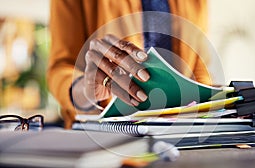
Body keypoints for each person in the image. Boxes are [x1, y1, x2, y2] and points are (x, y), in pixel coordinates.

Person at [48, 0, 211, 129]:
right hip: (105, 135)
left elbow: (199, 68)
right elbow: (61, 67)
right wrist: (85, 92)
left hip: (180, 136)